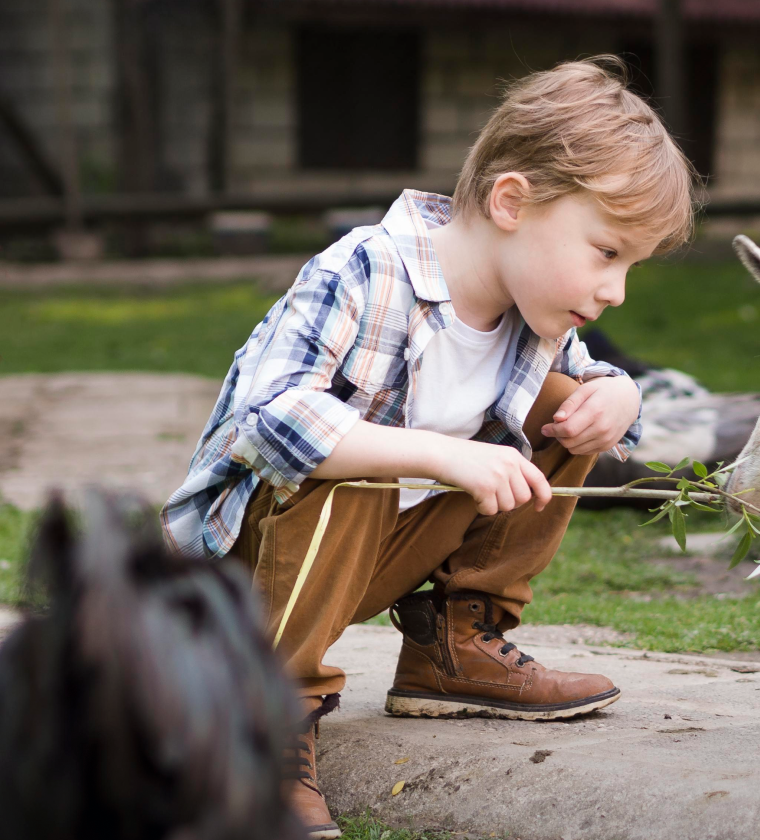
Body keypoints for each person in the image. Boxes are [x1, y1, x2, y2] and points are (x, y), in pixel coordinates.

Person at [159, 56, 696, 839]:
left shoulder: (529, 313)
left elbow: (596, 384)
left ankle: (455, 645)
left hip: (364, 561)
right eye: (607, 252)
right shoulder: (365, 269)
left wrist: (621, 395)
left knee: (577, 407)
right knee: (348, 463)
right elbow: (266, 423)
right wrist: (436, 454)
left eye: (631, 267)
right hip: (242, 576)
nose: (616, 290)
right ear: (512, 201)